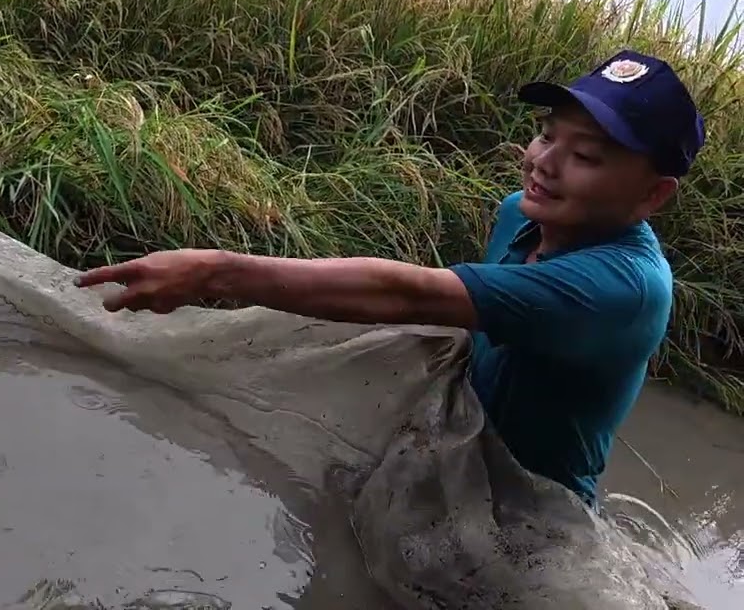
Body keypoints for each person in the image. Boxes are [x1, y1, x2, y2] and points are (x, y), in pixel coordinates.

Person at [75, 49, 705, 508]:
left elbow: (408, 294)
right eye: (545, 134)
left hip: (527, 511)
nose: (543, 161)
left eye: (586, 154)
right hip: (457, 456)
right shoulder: (520, 214)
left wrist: (213, 271)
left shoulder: (622, 289)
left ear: (654, 194)